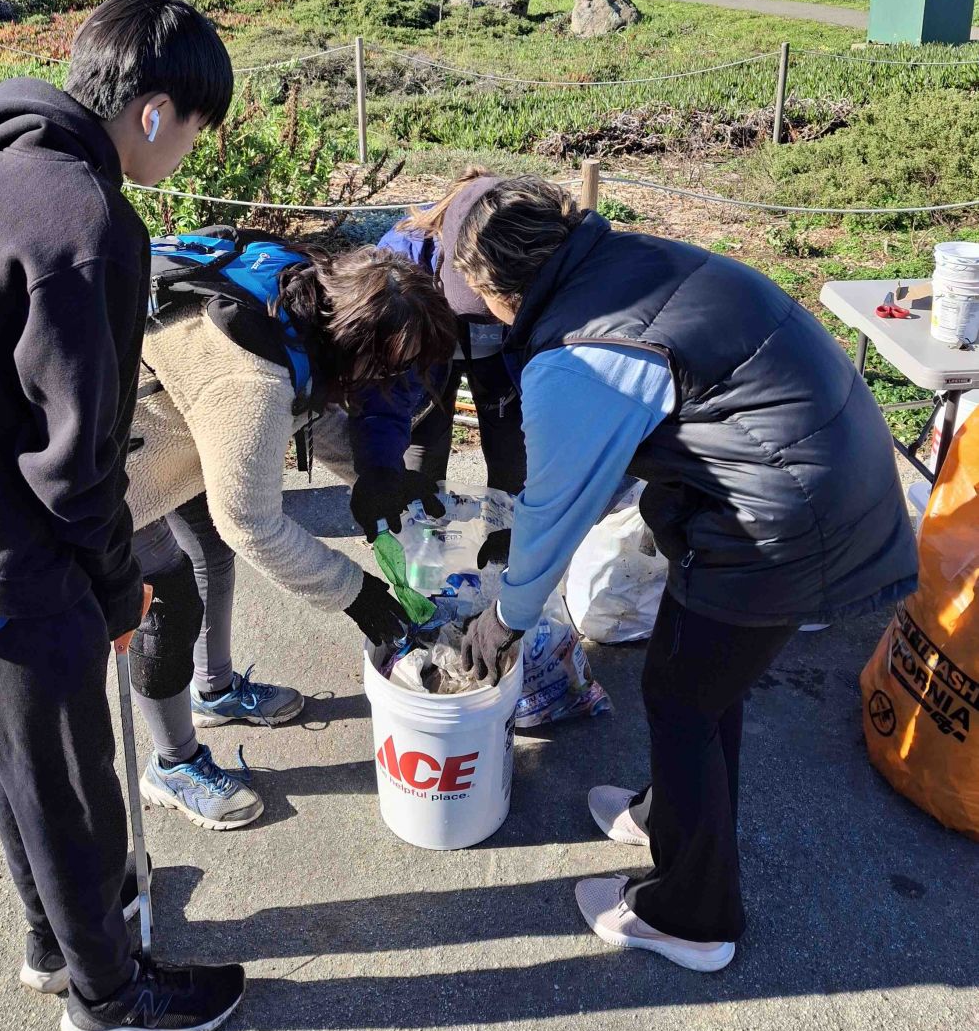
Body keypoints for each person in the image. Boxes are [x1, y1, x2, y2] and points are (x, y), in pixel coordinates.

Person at [0, 0, 251, 1031]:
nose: (189, 151)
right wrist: (114, 579)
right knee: (76, 780)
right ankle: (111, 995)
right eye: (194, 129)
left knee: (19, 758)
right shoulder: (87, 223)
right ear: (154, 111)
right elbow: (77, 462)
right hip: (6, 550)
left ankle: (54, 938)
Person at [448, 176, 917, 972]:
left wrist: (504, 622)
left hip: (787, 519)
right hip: (821, 472)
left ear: (498, 287)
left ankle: (692, 917)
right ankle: (668, 814)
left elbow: (548, 515)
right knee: (697, 680)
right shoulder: (622, 258)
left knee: (681, 698)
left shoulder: (575, 353)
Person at [124, 234, 457, 828]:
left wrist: (379, 479)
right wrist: (353, 592)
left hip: (182, 424)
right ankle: (173, 764)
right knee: (168, 604)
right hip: (118, 467)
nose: (392, 386)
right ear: (359, 349)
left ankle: (214, 690)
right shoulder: (249, 381)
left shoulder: (305, 297)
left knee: (208, 554)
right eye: (390, 370)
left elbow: (308, 411)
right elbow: (250, 521)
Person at [346, 170, 527, 560]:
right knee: (422, 450)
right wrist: (380, 470)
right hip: (428, 358)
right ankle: (426, 551)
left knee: (513, 454)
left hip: (503, 355)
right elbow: (385, 387)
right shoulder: (399, 263)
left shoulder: (530, 252)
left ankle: (509, 555)